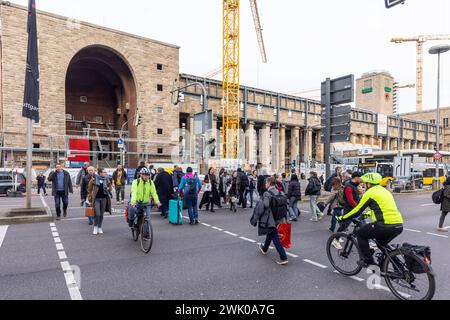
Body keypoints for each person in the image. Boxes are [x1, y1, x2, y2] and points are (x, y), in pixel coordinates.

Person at [338, 173, 404, 268]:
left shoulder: (370, 193)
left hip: (384, 225)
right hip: (398, 225)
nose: (364, 186)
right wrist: (366, 214)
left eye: (365, 184)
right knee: (381, 244)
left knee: (360, 234)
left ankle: (368, 260)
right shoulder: (385, 191)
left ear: (369, 184)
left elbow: (357, 210)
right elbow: (380, 209)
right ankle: (398, 267)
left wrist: (343, 217)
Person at [251, 177, 288, 265]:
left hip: (271, 219)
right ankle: (264, 248)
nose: (265, 185)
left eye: (266, 183)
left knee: (274, 237)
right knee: (270, 233)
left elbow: (265, 205)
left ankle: (283, 257)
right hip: (279, 218)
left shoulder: (267, 193)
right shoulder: (280, 192)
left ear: (269, 183)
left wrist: (258, 202)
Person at [87, 168, 112, 235]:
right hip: (96, 199)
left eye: (105, 172)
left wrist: (108, 188)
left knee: (101, 214)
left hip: (104, 199)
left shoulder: (106, 179)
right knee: (97, 214)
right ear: (100, 173)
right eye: (104, 172)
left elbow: (110, 187)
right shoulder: (93, 179)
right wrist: (90, 198)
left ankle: (99, 227)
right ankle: (95, 227)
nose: (105, 173)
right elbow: (89, 190)